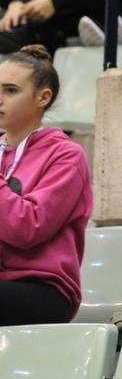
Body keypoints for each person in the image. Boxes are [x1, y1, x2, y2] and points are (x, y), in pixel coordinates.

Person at [0, 45, 91, 326]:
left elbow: (29, 227)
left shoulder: (66, 156)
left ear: (43, 97)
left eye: (11, 90)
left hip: (44, 288)